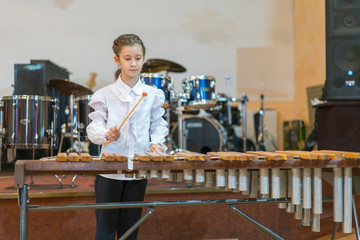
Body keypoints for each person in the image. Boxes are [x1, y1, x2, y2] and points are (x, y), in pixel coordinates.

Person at [86, 34, 168, 240]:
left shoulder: (151, 94)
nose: (133, 64)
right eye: (128, 58)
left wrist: (157, 143)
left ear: (143, 59)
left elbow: (158, 124)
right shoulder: (104, 94)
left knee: (130, 232)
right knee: (104, 232)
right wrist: (107, 134)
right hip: (110, 173)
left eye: (138, 58)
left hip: (137, 171)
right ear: (117, 60)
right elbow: (93, 128)